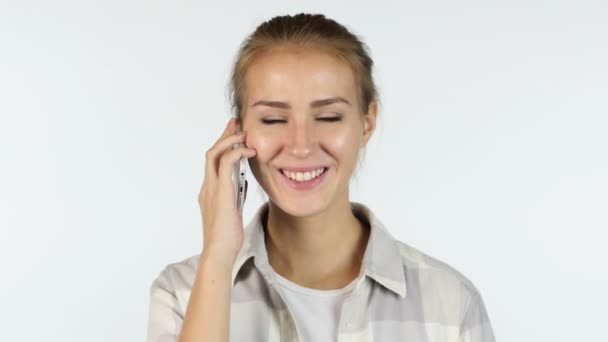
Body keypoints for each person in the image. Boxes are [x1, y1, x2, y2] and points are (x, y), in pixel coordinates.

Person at [146, 13, 496, 342]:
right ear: (238, 132)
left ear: (367, 121)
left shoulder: (451, 305)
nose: (301, 146)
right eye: (273, 120)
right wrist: (219, 258)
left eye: (328, 117)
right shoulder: (182, 292)